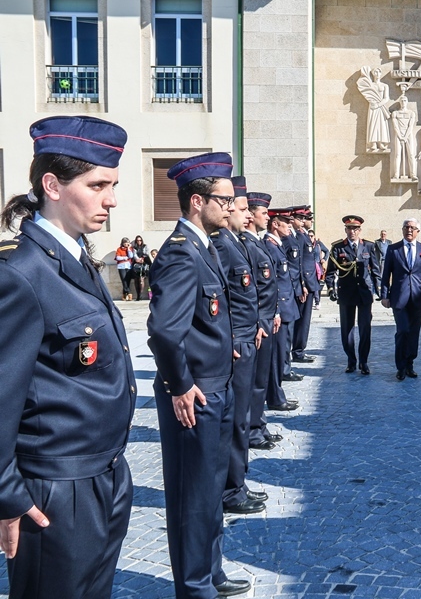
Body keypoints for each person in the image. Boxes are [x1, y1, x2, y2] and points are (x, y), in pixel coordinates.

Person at [0, 116, 135, 599]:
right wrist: (6, 493)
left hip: (105, 477)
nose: (112, 200)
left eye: (113, 185)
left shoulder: (76, 256)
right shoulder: (21, 272)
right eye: (98, 185)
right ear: (52, 185)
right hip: (56, 491)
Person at [147, 152, 251, 598]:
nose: (230, 208)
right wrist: (180, 384)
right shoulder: (180, 254)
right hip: (194, 395)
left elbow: (202, 320)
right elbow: (164, 333)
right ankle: (194, 586)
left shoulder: (204, 247)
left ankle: (211, 571)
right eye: (223, 200)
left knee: (210, 492)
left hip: (216, 387)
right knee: (192, 496)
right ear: (196, 201)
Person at [211, 177, 268, 516]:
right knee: (235, 421)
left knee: (241, 417)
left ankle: (238, 482)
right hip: (237, 343)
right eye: (239, 208)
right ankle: (232, 489)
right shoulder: (221, 244)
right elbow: (222, 299)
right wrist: (232, 337)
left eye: (244, 208)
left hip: (247, 337)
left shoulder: (234, 242)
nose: (244, 214)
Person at [241, 192, 292, 453]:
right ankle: (253, 430)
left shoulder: (257, 243)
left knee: (261, 379)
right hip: (259, 322)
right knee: (256, 380)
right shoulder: (247, 245)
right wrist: (265, 317)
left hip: (267, 318)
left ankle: (258, 426)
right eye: (263, 213)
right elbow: (252, 290)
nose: (264, 217)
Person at [379, 218, 421, 380]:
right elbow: (386, 275)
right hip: (399, 298)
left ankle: (409, 364)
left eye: (412, 228)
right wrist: (384, 295)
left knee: (414, 333)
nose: (409, 230)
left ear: (418, 232)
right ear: (402, 230)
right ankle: (400, 366)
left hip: (417, 298)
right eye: (406, 227)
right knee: (403, 331)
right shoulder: (393, 249)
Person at [325, 215, 380, 374]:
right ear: (345, 230)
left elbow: (375, 270)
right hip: (346, 293)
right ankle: (351, 360)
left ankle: (363, 361)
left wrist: (380, 289)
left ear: (360, 230)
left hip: (364, 293)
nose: (352, 232)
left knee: (365, 329)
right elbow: (330, 272)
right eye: (349, 229)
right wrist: (331, 289)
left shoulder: (368, 246)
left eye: (355, 229)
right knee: (347, 330)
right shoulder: (337, 248)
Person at [263, 208, 304, 402]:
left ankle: (278, 394)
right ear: (275, 224)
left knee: (282, 352)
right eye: (285, 223)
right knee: (277, 356)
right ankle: (275, 397)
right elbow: (273, 283)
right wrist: (277, 310)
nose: (290, 226)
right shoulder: (270, 246)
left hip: (288, 307)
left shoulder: (277, 245)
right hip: (281, 307)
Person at [290, 206, 318, 364]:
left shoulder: (303, 235)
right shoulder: (299, 237)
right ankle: (298, 351)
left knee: (304, 321)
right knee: (301, 321)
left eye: (305, 218)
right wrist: (303, 285)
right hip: (305, 284)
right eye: (303, 218)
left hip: (310, 283)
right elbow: (298, 263)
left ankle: (300, 350)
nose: (308, 221)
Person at [308, 229, 327, 309]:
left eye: (311, 236)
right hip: (309, 267)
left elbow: (327, 251)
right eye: (308, 236)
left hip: (317, 267)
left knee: (317, 284)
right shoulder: (306, 244)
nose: (310, 238)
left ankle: (317, 302)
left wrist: (324, 259)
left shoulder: (318, 244)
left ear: (314, 236)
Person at [131, 235, 151, 300]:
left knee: (141, 279)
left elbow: (146, 253)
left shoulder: (145, 246)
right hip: (136, 264)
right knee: (136, 280)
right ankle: (138, 295)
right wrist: (138, 259)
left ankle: (141, 295)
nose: (139, 241)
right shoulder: (134, 247)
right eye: (137, 240)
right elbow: (134, 255)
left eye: (140, 240)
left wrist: (142, 258)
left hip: (144, 263)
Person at [115, 236, 134, 300]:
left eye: (127, 243)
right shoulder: (119, 249)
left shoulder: (130, 248)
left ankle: (124, 294)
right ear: (122, 243)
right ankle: (129, 293)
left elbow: (131, 256)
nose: (126, 244)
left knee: (128, 280)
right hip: (121, 266)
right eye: (125, 243)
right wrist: (125, 258)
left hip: (128, 266)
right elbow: (118, 257)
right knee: (124, 280)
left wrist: (128, 249)